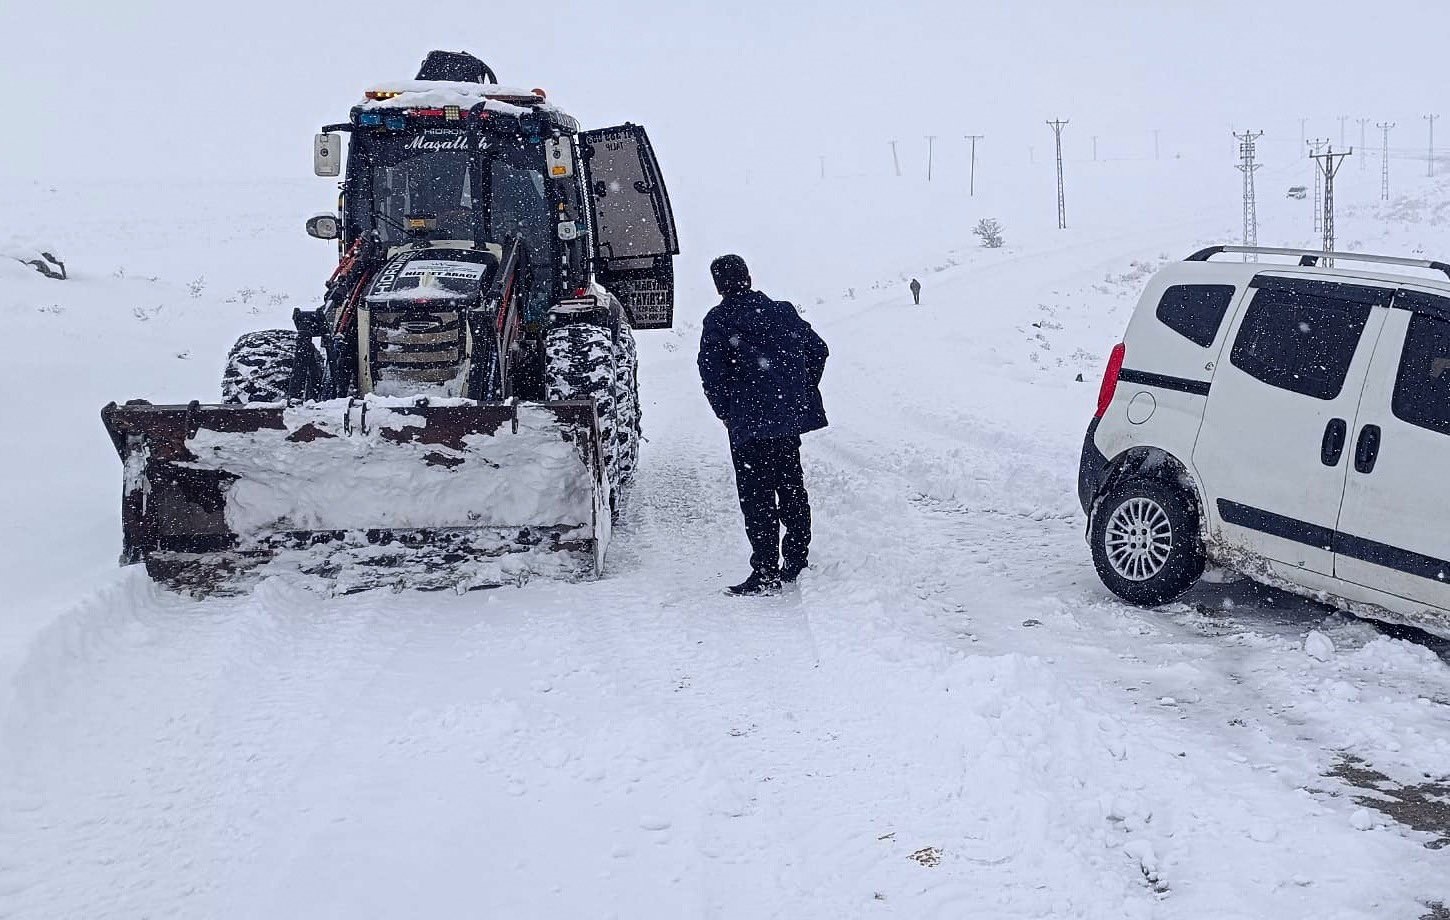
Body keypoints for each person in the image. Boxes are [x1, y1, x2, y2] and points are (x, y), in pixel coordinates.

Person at [698, 255, 829, 596]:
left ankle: (766, 571)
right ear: (748, 277)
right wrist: (796, 391)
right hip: (785, 421)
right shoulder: (782, 311)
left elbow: (711, 374)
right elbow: (818, 350)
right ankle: (796, 560)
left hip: (747, 424)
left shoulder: (719, 319)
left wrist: (726, 411)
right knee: (791, 487)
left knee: (757, 498)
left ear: (718, 286)